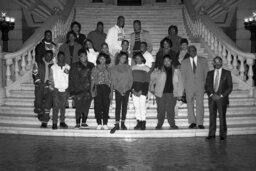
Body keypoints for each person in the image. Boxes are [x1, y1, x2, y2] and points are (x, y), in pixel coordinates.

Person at [150, 55, 183, 129]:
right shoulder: (159, 70)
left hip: (172, 93)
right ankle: (159, 123)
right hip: (160, 94)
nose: (166, 62)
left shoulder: (176, 71)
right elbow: (151, 77)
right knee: (160, 110)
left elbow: (180, 83)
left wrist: (180, 94)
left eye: (168, 60)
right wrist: (156, 71)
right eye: (164, 61)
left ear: (171, 60)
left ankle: (172, 124)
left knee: (171, 110)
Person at [181, 45, 209, 129]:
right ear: (188, 52)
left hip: (200, 86)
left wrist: (206, 86)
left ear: (196, 51)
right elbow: (183, 76)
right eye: (190, 50)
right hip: (189, 86)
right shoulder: (184, 62)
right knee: (190, 104)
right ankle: (192, 122)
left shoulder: (203, 60)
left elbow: (207, 74)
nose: (192, 51)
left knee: (200, 104)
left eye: (193, 50)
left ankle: (200, 122)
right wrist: (183, 89)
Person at [205, 56, 233, 140]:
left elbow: (229, 87)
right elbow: (207, 86)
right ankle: (211, 133)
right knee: (212, 115)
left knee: (222, 116)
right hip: (212, 98)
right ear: (213, 63)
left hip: (222, 98)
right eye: (215, 62)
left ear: (221, 62)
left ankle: (223, 134)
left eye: (218, 62)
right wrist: (211, 95)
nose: (217, 63)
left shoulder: (227, 73)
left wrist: (221, 95)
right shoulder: (209, 73)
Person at [110, 52, 133, 133]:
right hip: (118, 90)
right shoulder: (114, 68)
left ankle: (123, 123)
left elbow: (130, 80)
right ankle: (117, 124)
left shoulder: (128, 67)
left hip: (126, 90)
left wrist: (127, 89)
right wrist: (120, 90)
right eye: (122, 57)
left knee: (124, 107)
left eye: (125, 58)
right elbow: (114, 80)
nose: (124, 59)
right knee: (118, 107)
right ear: (119, 58)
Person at [73, 49, 95, 129]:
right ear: (79, 57)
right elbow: (72, 78)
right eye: (82, 56)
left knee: (86, 106)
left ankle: (84, 122)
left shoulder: (91, 65)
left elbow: (94, 78)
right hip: (78, 89)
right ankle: (78, 122)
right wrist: (72, 91)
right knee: (78, 107)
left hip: (88, 89)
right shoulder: (75, 65)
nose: (84, 57)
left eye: (85, 55)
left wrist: (93, 89)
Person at [32, 50, 54, 128]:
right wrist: (39, 82)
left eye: (51, 56)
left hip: (49, 87)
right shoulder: (38, 63)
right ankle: (40, 112)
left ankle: (44, 121)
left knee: (47, 104)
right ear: (44, 55)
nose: (49, 57)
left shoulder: (53, 65)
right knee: (38, 102)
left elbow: (55, 76)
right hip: (40, 86)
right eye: (48, 55)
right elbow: (35, 73)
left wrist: (51, 82)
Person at [91, 53, 112, 130]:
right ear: (98, 59)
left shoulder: (109, 69)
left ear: (106, 59)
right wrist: (91, 90)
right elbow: (92, 80)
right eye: (101, 58)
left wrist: (111, 91)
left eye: (104, 58)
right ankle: (99, 123)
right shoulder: (95, 68)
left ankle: (105, 123)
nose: (102, 60)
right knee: (98, 105)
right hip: (98, 88)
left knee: (106, 105)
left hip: (106, 88)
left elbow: (111, 81)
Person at [49, 52, 70, 130]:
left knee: (63, 107)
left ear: (64, 57)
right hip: (56, 89)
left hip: (64, 89)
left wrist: (68, 89)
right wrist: (52, 89)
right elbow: (51, 78)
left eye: (63, 57)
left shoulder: (67, 67)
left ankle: (62, 122)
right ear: (58, 57)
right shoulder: (53, 67)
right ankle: (54, 123)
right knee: (55, 106)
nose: (61, 58)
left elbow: (69, 78)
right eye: (60, 57)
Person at [59, 31, 82, 96]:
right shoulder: (63, 46)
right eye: (70, 36)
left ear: (75, 37)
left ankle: (75, 96)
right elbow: (60, 56)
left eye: (72, 36)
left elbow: (81, 56)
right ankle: (67, 95)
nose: (71, 37)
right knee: (66, 79)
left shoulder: (79, 46)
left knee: (76, 80)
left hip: (76, 66)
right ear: (68, 38)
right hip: (66, 66)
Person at [131, 52, 150, 130]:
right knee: (136, 107)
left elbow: (147, 81)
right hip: (134, 90)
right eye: (135, 58)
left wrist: (141, 91)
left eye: (138, 58)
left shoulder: (146, 68)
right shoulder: (132, 68)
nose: (137, 59)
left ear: (142, 58)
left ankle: (143, 122)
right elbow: (130, 80)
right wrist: (133, 90)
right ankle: (138, 122)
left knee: (142, 106)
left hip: (142, 90)